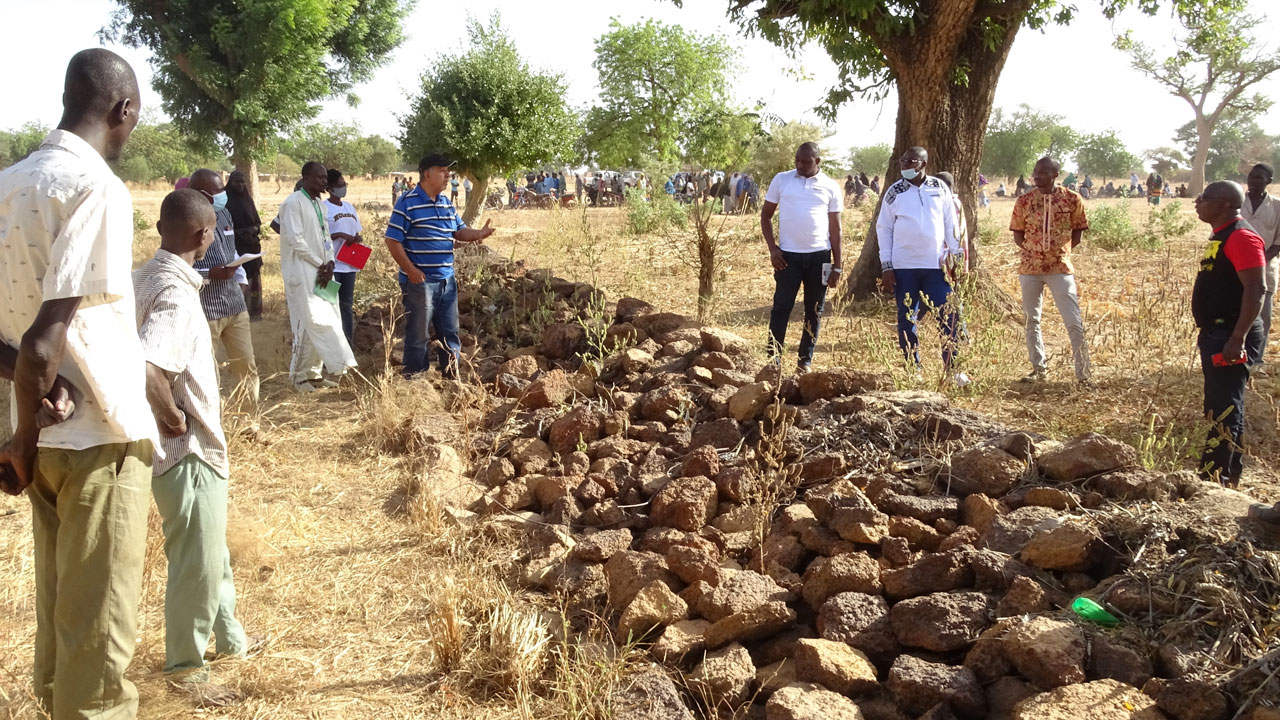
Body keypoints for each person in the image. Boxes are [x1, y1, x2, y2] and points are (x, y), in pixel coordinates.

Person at [0, 48, 157, 719]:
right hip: (100, 441)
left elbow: (23, 348)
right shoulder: (93, 187)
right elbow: (43, 339)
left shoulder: (8, 184)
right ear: (123, 110)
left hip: (44, 440)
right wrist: (28, 432)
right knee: (97, 654)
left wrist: (25, 423)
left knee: (65, 633)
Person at [134, 189, 253, 706]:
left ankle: (227, 638)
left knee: (212, 552)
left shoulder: (145, 276)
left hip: (183, 449)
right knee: (197, 562)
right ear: (203, 236)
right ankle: (187, 667)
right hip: (189, 452)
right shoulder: (178, 295)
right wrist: (175, 420)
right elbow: (148, 367)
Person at [385, 154, 495, 378]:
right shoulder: (407, 203)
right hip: (420, 282)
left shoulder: (446, 203)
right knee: (418, 334)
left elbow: (459, 231)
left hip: (447, 281)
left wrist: (479, 234)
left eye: (448, 171)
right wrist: (411, 271)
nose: (448, 176)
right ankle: (415, 379)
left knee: (450, 332)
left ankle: (451, 376)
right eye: (442, 171)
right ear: (427, 174)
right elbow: (392, 240)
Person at [1191, 181, 1266, 488]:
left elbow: (1256, 289)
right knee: (1226, 404)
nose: (1197, 201)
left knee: (1223, 408)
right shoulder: (1222, 235)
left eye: (1205, 197)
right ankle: (1228, 476)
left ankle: (1212, 478)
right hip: (1219, 331)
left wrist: (1237, 338)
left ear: (1223, 203)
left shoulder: (1242, 236)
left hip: (1231, 333)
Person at [876, 146, 966, 381]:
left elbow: (950, 223)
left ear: (923, 164)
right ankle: (912, 369)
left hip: (936, 267)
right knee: (907, 318)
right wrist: (886, 265)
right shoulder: (894, 193)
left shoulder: (939, 188)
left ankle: (953, 370)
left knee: (949, 316)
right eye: (902, 161)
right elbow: (883, 228)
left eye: (911, 161)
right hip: (903, 267)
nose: (904, 165)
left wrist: (956, 256)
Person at [1009, 157, 1093, 386]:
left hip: (1060, 268)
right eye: (1035, 172)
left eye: (1043, 172)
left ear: (1055, 174)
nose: (1037, 176)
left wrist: (1060, 251)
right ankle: (1038, 368)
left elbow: (1078, 231)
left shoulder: (1071, 198)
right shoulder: (1024, 200)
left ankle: (1083, 374)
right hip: (1029, 269)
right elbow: (1018, 232)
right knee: (1031, 320)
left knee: (1073, 320)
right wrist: (1032, 251)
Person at [761, 143, 844, 373]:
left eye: (806, 162)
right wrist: (773, 250)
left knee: (814, 310)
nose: (800, 165)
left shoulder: (830, 186)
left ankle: (804, 362)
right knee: (781, 308)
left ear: (818, 161)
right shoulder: (782, 180)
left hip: (819, 257)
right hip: (787, 258)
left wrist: (838, 266)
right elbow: (765, 216)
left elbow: (836, 230)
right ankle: (774, 361)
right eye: (797, 160)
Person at [278, 161, 357, 391]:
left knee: (330, 318)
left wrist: (330, 262)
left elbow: (326, 238)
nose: (324, 182)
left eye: (325, 178)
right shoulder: (293, 203)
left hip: (324, 273)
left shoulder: (319, 205)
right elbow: (295, 240)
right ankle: (298, 377)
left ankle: (314, 373)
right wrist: (320, 264)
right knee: (307, 322)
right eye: (320, 178)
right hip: (303, 272)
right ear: (305, 178)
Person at [188, 169, 260, 416]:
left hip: (235, 305)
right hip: (205, 310)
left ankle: (250, 422)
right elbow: (176, 268)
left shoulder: (225, 214)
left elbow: (231, 254)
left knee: (246, 366)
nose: (223, 195)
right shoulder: (186, 221)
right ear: (201, 194)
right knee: (206, 371)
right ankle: (210, 423)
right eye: (218, 191)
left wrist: (240, 278)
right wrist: (209, 274)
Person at [1242, 163, 1280, 369]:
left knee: (1262, 316)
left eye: (1259, 178)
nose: (1253, 181)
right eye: (1251, 177)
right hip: (1235, 268)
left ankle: (1256, 360)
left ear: (1269, 181)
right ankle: (1236, 355)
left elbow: (1278, 242)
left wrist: (1259, 261)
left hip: (1266, 269)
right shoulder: (1235, 203)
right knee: (1235, 312)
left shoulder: (1277, 206)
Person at [325, 169, 364, 344]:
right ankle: (330, 343)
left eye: (344, 185)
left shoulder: (349, 207)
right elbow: (319, 235)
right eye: (340, 185)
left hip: (349, 264)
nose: (343, 188)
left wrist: (356, 238)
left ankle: (347, 341)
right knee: (329, 303)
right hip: (332, 266)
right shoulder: (323, 208)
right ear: (330, 188)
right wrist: (338, 234)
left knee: (346, 304)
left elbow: (357, 231)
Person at [226, 171, 264, 321]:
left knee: (253, 278)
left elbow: (257, 222)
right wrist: (240, 233)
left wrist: (253, 229)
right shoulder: (226, 201)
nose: (240, 185)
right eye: (237, 182)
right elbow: (224, 227)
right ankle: (238, 312)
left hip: (251, 246)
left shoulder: (248, 200)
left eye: (243, 182)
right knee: (238, 278)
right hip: (235, 246)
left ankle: (254, 312)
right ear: (231, 183)